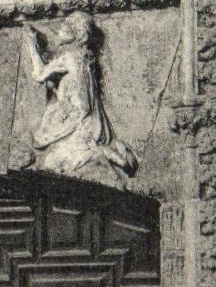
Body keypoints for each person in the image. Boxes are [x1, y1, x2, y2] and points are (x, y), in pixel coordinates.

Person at [18, 16, 136, 185]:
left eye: (66, 25)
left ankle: (111, 157)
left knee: (54, 161)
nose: (61, 28)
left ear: (76, 33)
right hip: (86, 118)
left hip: (74, 117)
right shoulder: (85, 57)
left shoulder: (70, 57)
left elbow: (38, 74)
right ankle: (113, 156)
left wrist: (31, 45)